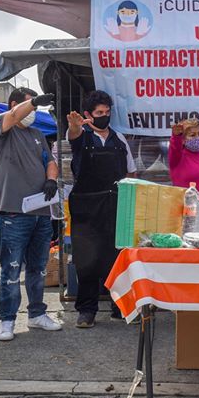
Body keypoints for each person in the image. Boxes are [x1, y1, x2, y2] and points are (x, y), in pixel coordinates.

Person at [0, 87, 63, 341]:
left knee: (38, 268)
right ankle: (7, 320)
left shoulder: (37, 134)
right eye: (30, 105)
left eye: (36, 106)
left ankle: (37, 314)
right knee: (11, 270)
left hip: (40, 211)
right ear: (14, 104)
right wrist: (33, 104)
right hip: (13, 213)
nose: (34, 110)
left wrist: (51, 179)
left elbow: (49, 161)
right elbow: (12, 116)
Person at [67, 90, 137, 328]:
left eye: (107, 112)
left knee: (116, 257)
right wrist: (76, 127)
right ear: (89, 115)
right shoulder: (81, 136)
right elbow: (73, 135)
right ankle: (87, 311)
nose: (104, 116)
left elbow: (131, 172)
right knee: (87, 260)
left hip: (115, 205)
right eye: (99, 113)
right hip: (86, 207)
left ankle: (121, 307)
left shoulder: (119, 139)